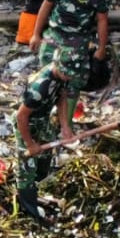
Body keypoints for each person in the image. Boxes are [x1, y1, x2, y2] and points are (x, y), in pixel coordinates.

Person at [29, 0, 109, 114]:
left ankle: (66, 120)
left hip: (78, 39)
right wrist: (36, 34)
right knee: (46, 73)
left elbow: (102, 19)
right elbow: (46, 6)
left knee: (73, 79)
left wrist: (101, 48)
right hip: (54, 34)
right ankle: (45, 112)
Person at [15, 60, 74, 223]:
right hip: (27, 123)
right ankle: (29, 209)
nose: (69, 78)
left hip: (43, 119)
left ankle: (39, 185)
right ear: (59, 67)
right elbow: (21, 117)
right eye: (67, 74)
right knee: (27, 166)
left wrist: (65, 126)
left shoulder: (63, 76)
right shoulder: (39, 88)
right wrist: (29, 144)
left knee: (46, 154)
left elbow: (62, 98)